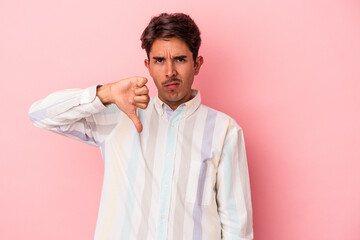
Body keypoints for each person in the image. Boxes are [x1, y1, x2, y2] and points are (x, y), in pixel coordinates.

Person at [29, 12, 253, 240]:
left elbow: (237, 228)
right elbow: (40, 114)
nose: (169, 72)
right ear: (147, 65)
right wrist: (106, 93)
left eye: (180, 59)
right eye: (159, 60)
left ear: (197, 64)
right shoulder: (120, 116)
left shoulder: (224, 131)